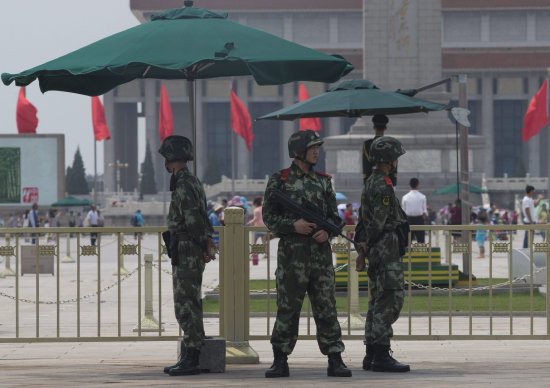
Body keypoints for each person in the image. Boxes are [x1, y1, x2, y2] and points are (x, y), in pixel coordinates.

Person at [262, 129, 351, 378]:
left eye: (317, 147)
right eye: (312, 147)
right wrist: (294, 226)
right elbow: (269, 217)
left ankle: (335, 357)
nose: (316, 151)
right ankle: (280, 359)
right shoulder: (280, 180)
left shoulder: (323, 181)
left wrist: (327, 231)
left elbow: (335, 217)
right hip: (292, 256)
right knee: (288, 308)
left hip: (320, 257)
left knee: (326, 307)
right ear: (299, 151)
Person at [158, 135, 217, 377]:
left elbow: (193, 220)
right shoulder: (191, 181)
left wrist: (203, 243)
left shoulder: (183, 184)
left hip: (186, 247)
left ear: (171, 159)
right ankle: (191, 354)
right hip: (189, 246)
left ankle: (191, 356)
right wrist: (205, 242)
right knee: (190, 301)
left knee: (186, 303)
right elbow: (201, 216)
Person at [354, 136, 410, 373]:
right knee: (389, 299)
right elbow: (377, 221)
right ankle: (381, 355)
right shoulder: (383, 185)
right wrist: (369, 242)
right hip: (385, 248)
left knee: (376, 300)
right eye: (395, 157)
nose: (397, 161)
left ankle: (371, 354)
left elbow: (363, 220)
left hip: (377, 249)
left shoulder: (370, 182)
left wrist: (363, 245)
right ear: (389, 159)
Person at [362, 115, 397, 186]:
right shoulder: (391, 144)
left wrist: (366, 182)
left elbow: (366, 166)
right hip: (388, 182)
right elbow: (394, 166)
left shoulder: (367, 144)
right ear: (385, 128)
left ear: (374, 127)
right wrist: (393, 182)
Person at [401, 177, 428, 243]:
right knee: (421, 241)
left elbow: (403, 211)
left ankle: (407, 253)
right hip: (419, 219)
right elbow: (424, 212)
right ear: (417, 185)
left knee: (407, 241)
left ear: (409, 185)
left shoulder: (405, 197)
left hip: (408, 219)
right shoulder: (422, 196)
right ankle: (421, 253)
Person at [247, 196, 267, 265]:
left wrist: (250, 222)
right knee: (264, 242)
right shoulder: (263, 208)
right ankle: (266, 254)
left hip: (257, 227)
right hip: (264, 227)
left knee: (254, 242)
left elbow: (255, 218)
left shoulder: (256, 210)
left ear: (255, 203)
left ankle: (252, 254)